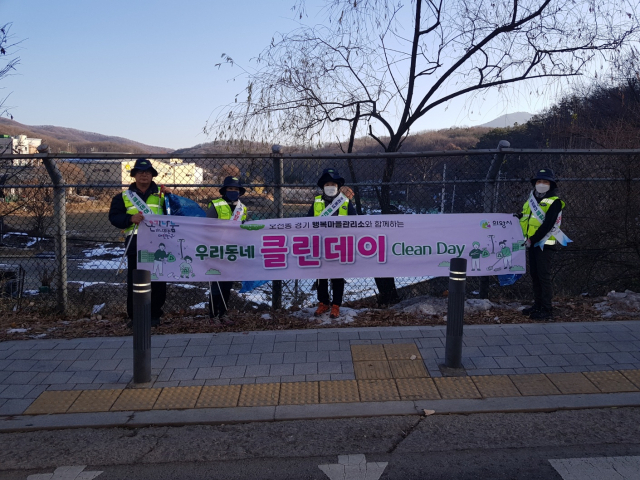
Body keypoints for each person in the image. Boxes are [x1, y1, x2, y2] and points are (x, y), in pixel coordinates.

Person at [109, 158, 170, 326]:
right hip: (136, 243)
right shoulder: (123, 197)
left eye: (148, 172)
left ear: (152, 176)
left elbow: (177, 213)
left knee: (157, 279)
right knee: (136, 281)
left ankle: (154, 315)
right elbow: (114, 217)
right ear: (134, 175)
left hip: (158, 243)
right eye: (140, 172)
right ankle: (136, 317)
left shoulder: (163, 195)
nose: (144, 175)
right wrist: (130, 218)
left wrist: (172, 197)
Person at [517, 168, 567, 321]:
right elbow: (527, 218)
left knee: (543, 276)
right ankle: (537, 305)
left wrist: (533, 238)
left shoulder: (555, 202)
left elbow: (547, 225)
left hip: (545, 243)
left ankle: (546, 308)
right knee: (535, 275)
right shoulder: (532, 199)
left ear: (551, 184)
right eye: (539, 181)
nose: (541, 184)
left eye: (545, 181)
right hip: (531, 243)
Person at [308, 168, 357, 319]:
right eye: (327, 183)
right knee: (320, 276)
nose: (330, 186)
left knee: (337, 277)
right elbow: (306, 222)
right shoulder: (316, 202)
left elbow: (356, 222)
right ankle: (323, 302)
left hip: (340, 246)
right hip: (320, 245)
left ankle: (336, 305)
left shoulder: (345, 202)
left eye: (333, 183)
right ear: (323, 186)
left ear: (338, 186)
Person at [205, 176, 247, 325]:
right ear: (224, 190)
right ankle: (213, 315)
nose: (233, 191)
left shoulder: (243, 208)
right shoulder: (216, 205)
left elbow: (244, 228)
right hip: (217, 249)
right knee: (216, 284)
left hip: (233, 251)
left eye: (236, 189)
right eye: (230, 188)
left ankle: (223, 313)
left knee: (227, 285)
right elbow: (207, 227)